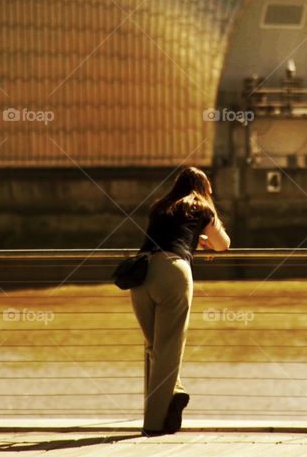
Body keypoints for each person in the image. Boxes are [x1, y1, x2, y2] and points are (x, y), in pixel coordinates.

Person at [131, 166, 230, 436]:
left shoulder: (160, 205)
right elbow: (223, 244)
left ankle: (176, 392)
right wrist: (207, 237)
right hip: (173, 273)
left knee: (154, 346)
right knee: (169, 349)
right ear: (204, 187)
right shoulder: (201, 206)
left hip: (139, 274)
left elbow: (170, 234)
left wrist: (194, 238)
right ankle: (153, 426)